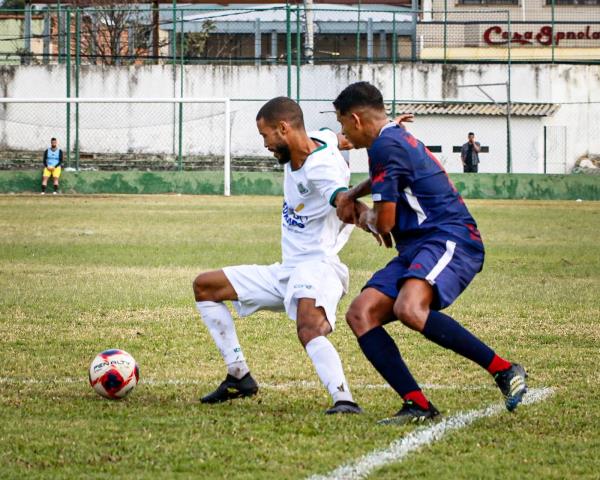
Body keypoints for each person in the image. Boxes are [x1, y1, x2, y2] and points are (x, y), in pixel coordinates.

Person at [332, 82, 527, 424]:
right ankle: (417, 404)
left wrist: (361, 215)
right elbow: (390, 180)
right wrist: (353, 195)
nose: (342, 132)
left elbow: (386, 222)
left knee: (409, 308)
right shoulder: (390, 138)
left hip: (449, 236)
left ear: (356, 119)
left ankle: (504, 369)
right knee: (361, 313)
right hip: (418, 244)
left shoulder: (385, 146)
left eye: (342, 124)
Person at [192, 96, 362, 414]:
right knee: (205, 286)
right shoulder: (318, 139)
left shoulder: (319, 168)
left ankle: (344, 399)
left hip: (318, 268)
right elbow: (344, 137)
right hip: (288, 270)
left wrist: (370, 218)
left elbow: (341, 198)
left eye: (265, 135)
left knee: (308, 327)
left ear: (283, 129)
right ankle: (239, 376)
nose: (266, 144)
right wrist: (389, 128)